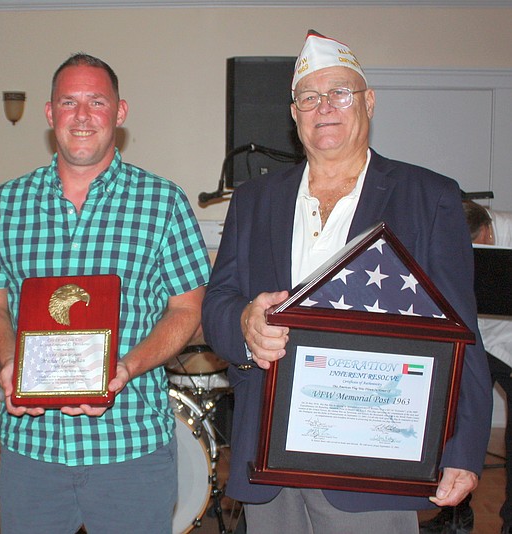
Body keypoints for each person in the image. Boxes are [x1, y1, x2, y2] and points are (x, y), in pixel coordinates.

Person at [202, 30, 493, 534]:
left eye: (340, 92)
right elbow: (218, 304)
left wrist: (463, 449)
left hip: (376, 460)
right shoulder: (254, 200)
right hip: (269, 457)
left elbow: (461, 333)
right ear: (294, 115)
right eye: (309, 97)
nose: (325, 107)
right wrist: (246, 323)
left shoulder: (430, 197)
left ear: (369, 102)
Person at [0, 53, 210, 533]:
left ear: (119, 113)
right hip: (31, 450)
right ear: (49, 113)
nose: (82, 116)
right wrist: (7, 359)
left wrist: (126, 368)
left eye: (96, 102)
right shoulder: (6, 203)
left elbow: (187, 309)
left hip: (130, 448)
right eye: (68, 102)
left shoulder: (163, 203)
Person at [419, 200, 512, 534]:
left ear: (486, 231)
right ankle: (454, 514)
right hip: (472, 342)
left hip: (510, 344)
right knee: (454, 428)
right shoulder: (444, 236)